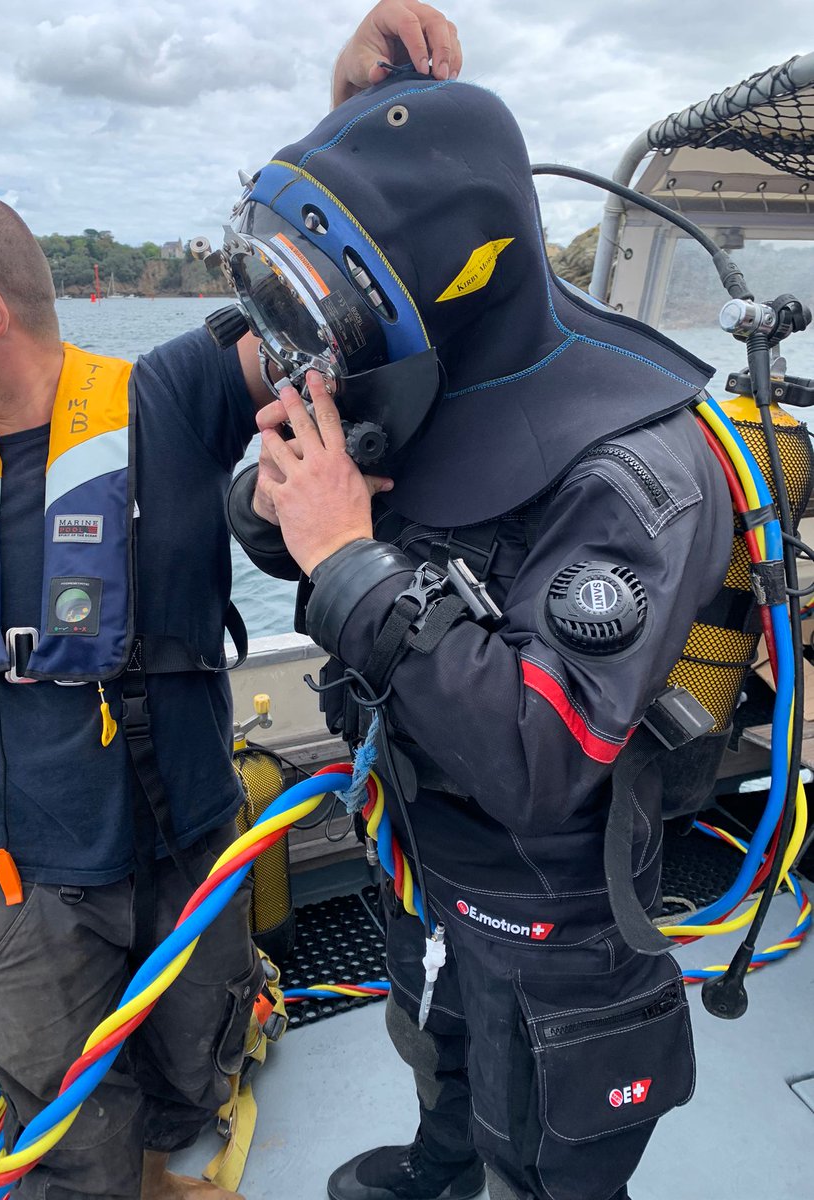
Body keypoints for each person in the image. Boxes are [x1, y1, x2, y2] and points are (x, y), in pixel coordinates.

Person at [0, 7, 463, 1199]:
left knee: (193, 1079)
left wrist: (353, 110)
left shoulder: (169, 392)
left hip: (185, 853)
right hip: (29, 884)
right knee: (66, 1135)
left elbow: (333, 299)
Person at [224, 72, 735, 1200]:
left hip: (555, 916)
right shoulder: (428, 389)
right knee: (437, 1047)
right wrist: (276, 510)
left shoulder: (640, 472)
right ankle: (439, 1162)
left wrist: (349, 557)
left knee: (543, 1160)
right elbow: (316, 529)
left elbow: (539, 755)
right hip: (421, 852)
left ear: (453, 273)